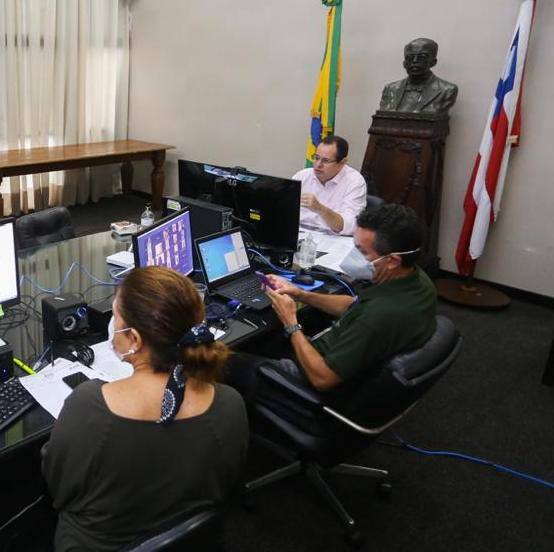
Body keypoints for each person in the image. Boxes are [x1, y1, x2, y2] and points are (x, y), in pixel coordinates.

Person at [41, 267, 248, 551]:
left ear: (135, 339)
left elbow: (58, 492)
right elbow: (228, 483)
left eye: (115, 316)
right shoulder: (231, 403)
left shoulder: (89, 407)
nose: (112, 324)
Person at [228, 204, 436, 396]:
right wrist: (300, 293)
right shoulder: (416, 280)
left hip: (314, 377)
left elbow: (322, 379)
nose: (353, 255)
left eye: (362, 251)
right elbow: (353, 305)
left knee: (224, 357)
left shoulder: (378, 317)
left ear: (392, 261)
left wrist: (291, 322)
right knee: (265, 338)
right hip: (337, 351)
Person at [292, 135, 366, 235]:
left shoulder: (355, 182)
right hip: (299, 233)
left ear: (342, 162)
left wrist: (320, 209)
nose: (318, 165)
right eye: (316, 158)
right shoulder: (302, 176)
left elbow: (349, 226)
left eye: (326, 161)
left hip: (333, 238)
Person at [378, 38, 458, 114]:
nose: (415, 61)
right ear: (404, 63)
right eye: (410, 57)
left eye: (422, 57)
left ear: (433, 62)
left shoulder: (447, 90)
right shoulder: (390, 89)